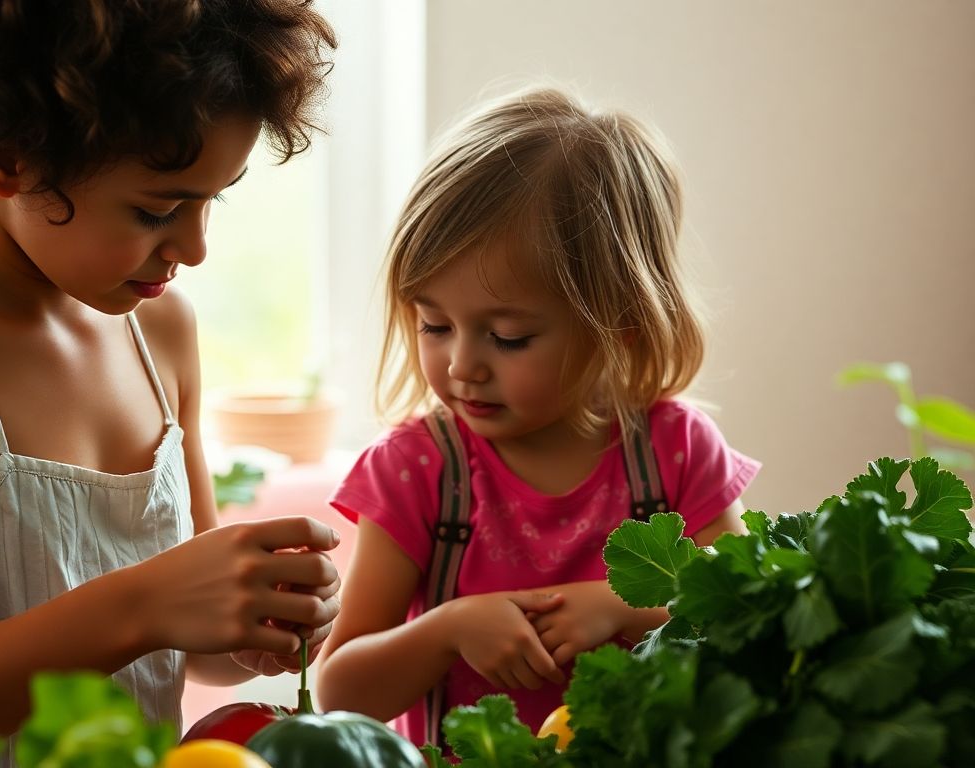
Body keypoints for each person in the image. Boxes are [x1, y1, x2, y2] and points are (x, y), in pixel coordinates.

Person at [0, 2, 340, 765]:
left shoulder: (160, 331)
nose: (194, 247)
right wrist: (143, 605)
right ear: (9, 157)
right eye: (158, 208)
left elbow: (190, 645)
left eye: (213, 198)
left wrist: (264, 617)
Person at [316, 86, 760, 747]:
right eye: (434, 324)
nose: (462, 365)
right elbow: (339, 693)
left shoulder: (676, 450)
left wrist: (624, 607)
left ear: (623, 327)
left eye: (509, 337)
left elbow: (750, 623)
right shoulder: (419, 469)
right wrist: (448, 630)